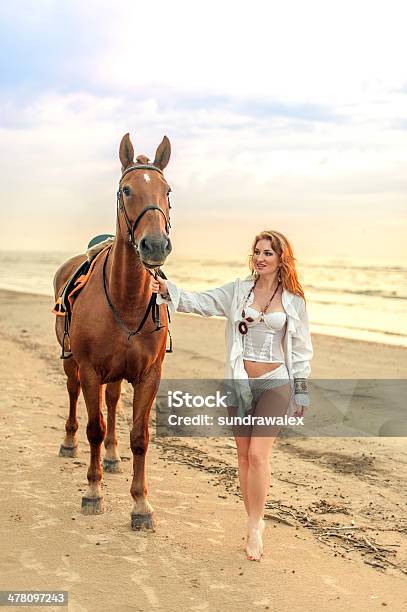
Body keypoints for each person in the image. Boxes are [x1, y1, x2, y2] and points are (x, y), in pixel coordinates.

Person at [151, 230, 313, 561]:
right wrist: (169, 290)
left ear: (282, 258)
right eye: (257, 252)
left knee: (257, 456)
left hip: (275, 383)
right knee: (242, 457)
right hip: (239, 384)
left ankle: (256, 526)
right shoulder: (238, 291)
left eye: (268, 252)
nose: (261, 257)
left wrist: (301, 392)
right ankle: (252, 521)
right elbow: (201, 302)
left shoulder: (294, 300)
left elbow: (301, 350)